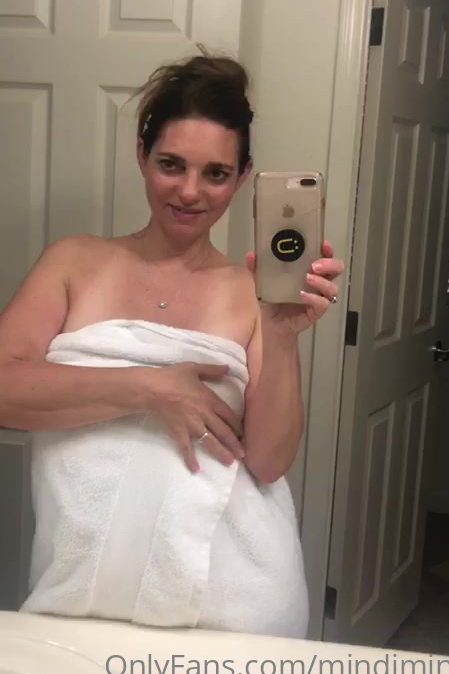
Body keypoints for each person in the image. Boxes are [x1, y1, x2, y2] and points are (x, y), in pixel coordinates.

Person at [0, 53, 344, 639]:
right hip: (81, 591)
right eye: (170, 164)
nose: (189, 191)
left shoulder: (252, 293)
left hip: (234, 604)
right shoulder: (73, 262)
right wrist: (150, 389)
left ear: (242, 176)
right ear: (142, 154)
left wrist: (282, 337)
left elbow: (268, 462)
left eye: (216, 173)